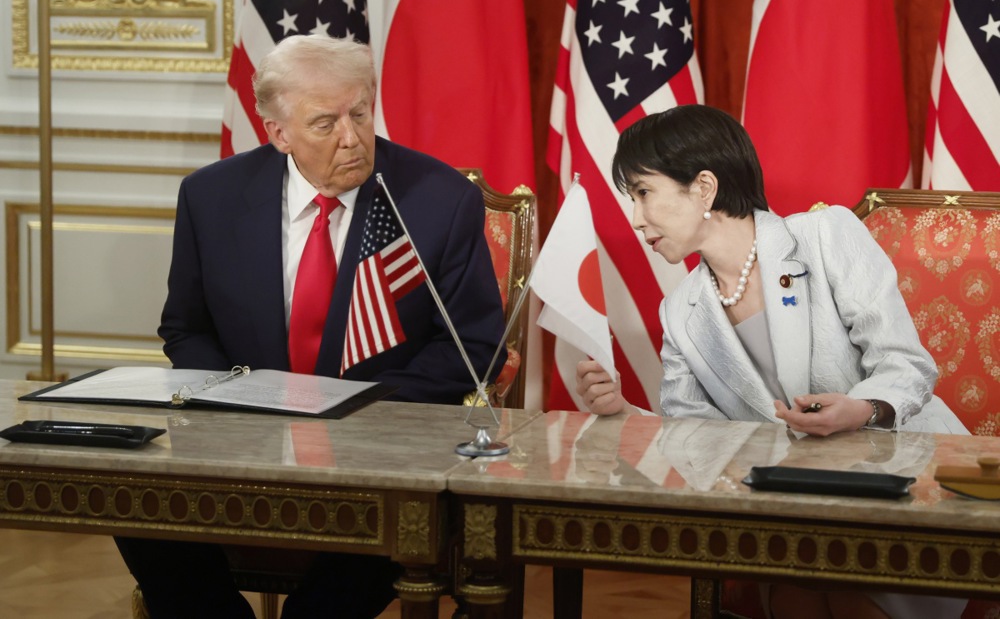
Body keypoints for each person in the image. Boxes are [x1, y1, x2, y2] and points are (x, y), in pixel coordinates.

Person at [116, 34, 507, 618]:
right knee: (130, 494)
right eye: (325, 123)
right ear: (279, 133)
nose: (351, 137)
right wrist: (242, 399)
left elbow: (472, 346)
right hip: (245, 438)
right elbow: (185, 329)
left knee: (397, 520)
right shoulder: (210, 196)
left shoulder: (439, 200)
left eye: (360, 113)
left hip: (381, 446)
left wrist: (353, 410)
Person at [575, 105, 968, 619]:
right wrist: (623, 412)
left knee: (846, 589)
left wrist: (862, 409)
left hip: (904, 483)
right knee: (794, 590)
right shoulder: (679, 312)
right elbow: (692, 436)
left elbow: (907, 364)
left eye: (643, 192)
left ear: (704, 188)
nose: (635, 218)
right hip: (794, 507)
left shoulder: (825, 235)